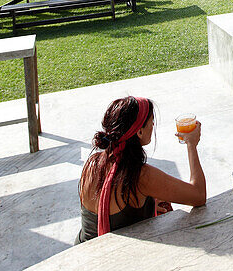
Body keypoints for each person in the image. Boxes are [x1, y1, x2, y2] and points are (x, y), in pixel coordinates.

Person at [76, 95, 206, 243]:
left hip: (83, 247)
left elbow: (109, 208)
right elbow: (198, 195)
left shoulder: (92, 163)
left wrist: (148, 203)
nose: (153, 125)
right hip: (111, 259)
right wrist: (192, 145)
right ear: (139, 132)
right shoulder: (140, 175)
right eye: (151, 122)